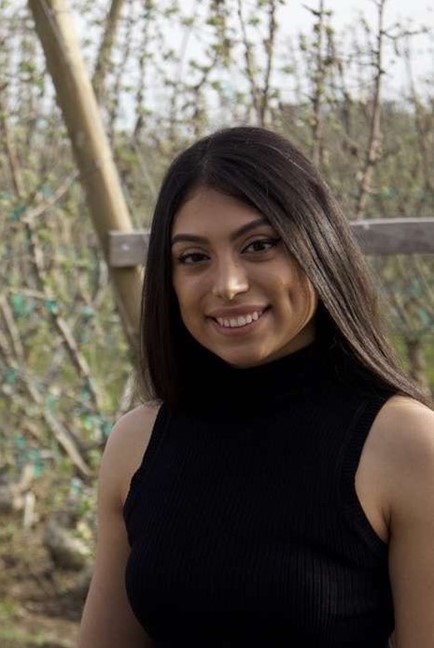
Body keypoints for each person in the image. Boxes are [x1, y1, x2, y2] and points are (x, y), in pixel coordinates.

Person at [77, 126, 434, 648]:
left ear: (319, 247)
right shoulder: (137, 443)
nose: (228, 285)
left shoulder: (407, 444)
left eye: (260, 245)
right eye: (193, 257)